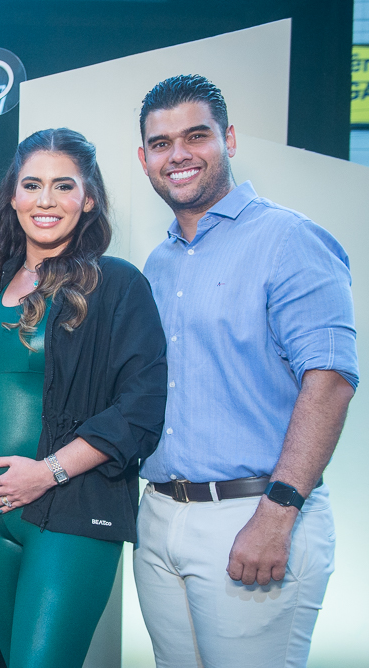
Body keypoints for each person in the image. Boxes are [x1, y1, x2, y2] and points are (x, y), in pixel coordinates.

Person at [134, 74, 358, 667]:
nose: (178, 155)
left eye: (196, 136)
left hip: (255, 513)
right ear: (144, 158)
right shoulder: (158, 263)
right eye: (161, 144)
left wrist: (277, 513)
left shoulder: (290, 239)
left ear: (228, 139)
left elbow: (331, 381)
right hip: (160, 517)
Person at [0, 128, 167, 668]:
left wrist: (47, 472)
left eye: (64, 186)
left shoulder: (117, 285)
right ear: (13, 196)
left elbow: (141, 410)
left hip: (69, 509)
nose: (46, 201)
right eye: (32, 185)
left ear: (89, 198)